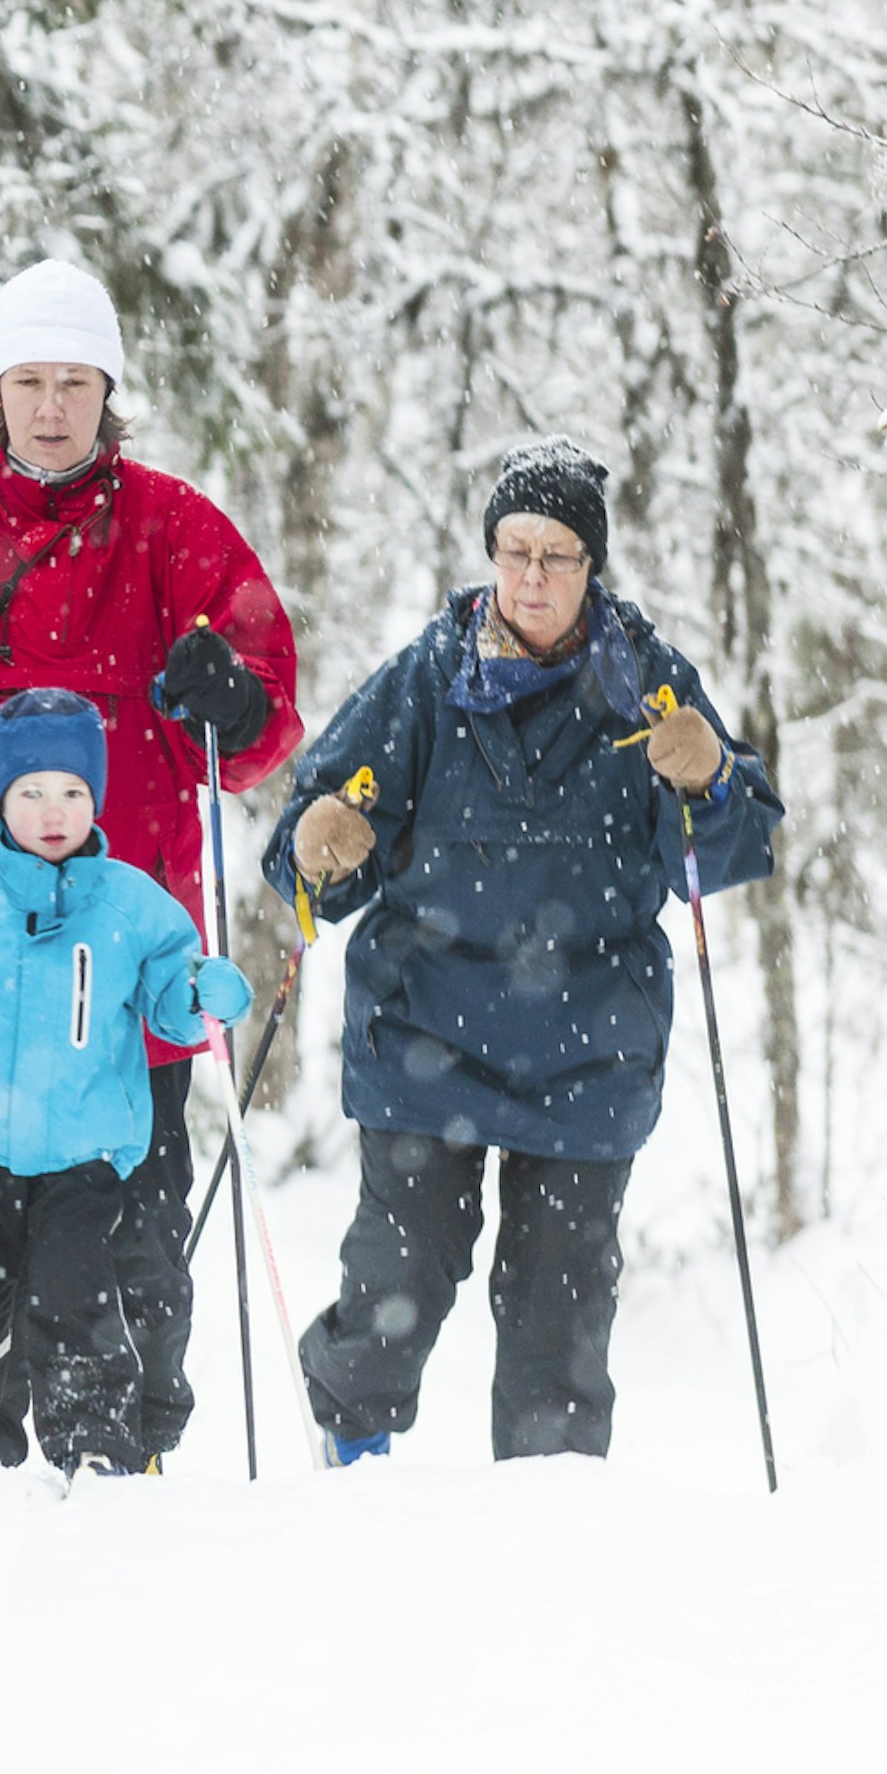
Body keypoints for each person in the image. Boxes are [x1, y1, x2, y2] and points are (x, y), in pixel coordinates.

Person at [0, 258, 302, 1465]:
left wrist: (230, 694)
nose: (53, 406)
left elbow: (267, 714)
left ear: (108, 389)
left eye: (76, 381)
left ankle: (120, 1442)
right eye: (30, 380)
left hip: (126, 965)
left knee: (130, 1231)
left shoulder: (175, 530)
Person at [260, 441, 783, 1463]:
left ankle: (549, 1527)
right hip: (425, 1030)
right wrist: (320, 847)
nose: (533, 576)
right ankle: (352, 1459)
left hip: (589, 1043)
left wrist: (711, 778)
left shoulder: (648, 680)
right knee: (397, 1284)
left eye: (558, 553)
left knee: (559, 1319)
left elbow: (731, 847)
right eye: (514, 551)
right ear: (490, 554)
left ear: (593, 565)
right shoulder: (425, 677)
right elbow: (311, 852)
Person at [0, 690, 251, 1476]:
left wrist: (204, 994)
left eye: (72, 791)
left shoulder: (132, 904)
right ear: (1, 798)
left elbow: (172, 1002)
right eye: (31, 792)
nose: (53, 811)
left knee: (80, 1296)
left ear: (95, 797)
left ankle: (95, 1440)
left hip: (81, 1153)